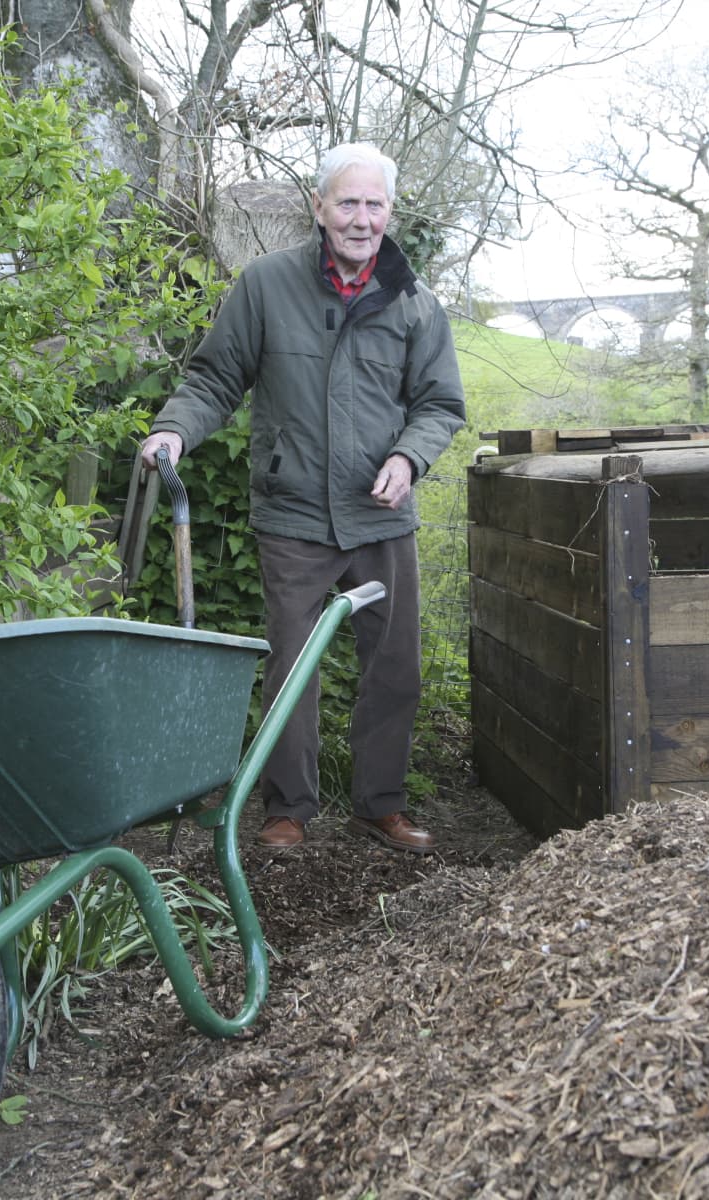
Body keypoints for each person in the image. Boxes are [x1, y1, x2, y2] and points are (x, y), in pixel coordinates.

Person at [139, 142, 466, 853]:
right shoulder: (266, 286)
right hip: (293, 512)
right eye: (347, 202)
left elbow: (439, 403)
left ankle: (380, 802)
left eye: (373, 204)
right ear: (318, 208)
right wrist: (173, 432)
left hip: (381, 515)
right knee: (291, 669)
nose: (361, 218)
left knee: (395, 667)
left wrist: (410, 457)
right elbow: (215, 380)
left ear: (390, 213)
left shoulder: (416, 302)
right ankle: (288, 807)